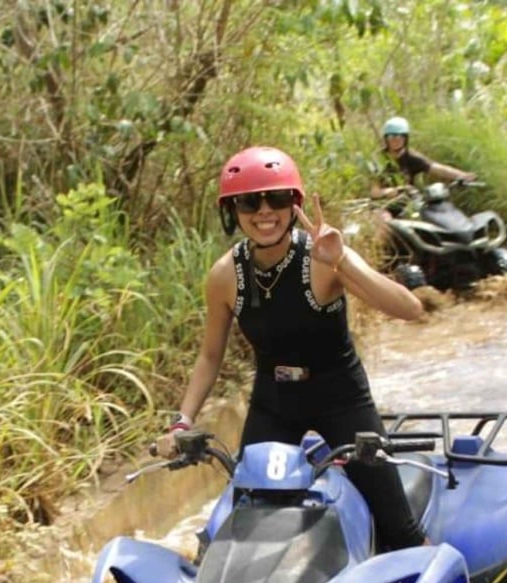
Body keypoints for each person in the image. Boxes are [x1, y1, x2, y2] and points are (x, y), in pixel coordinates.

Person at [154, 145, 428, 551]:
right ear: (233, 210)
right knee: (245, 520)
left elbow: (410, 308)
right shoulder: (225, 276)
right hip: (275, 402)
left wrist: (342, 263)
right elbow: (210, 355)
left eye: (277, 198)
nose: (264, 211)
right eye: (249, 201)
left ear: (294, 203)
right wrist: (181, 422)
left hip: (341, 397)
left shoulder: (322, 256)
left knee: (398, 530)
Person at [369, 116, 476, 201]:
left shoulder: (411, 157)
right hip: (383, 205)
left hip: (408, 203)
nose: (396, 139)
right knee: (385, 221)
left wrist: (462, 175)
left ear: (406, 138)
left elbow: (437, 168)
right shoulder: (379, 159)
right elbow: (374, 192)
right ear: (386, 138)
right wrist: (392, 191)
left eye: (400, 136)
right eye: (392, 136)